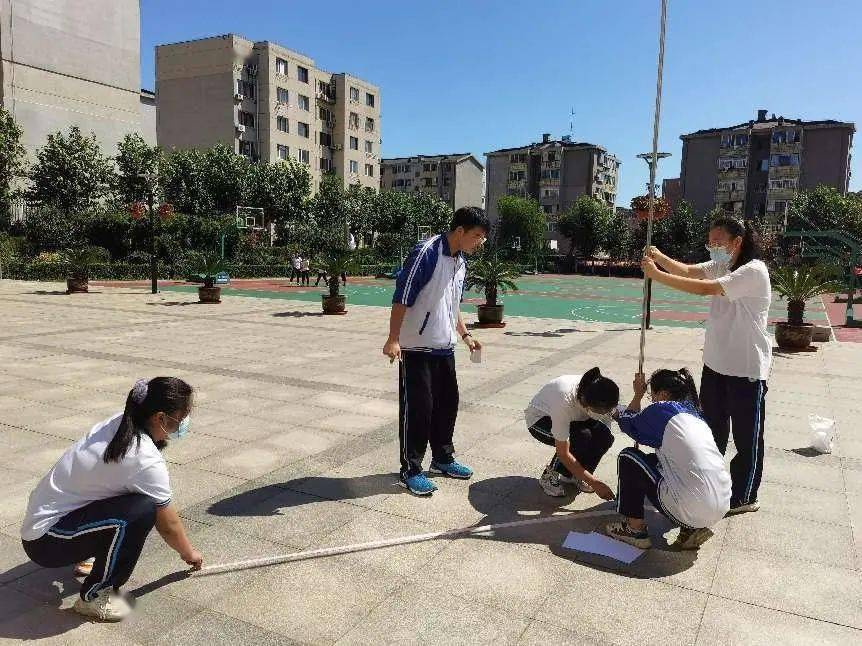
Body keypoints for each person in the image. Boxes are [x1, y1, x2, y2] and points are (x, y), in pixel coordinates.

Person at [20, 377, 203, 622]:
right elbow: (168, 525)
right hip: (47, 541)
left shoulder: (121, 422)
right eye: (181, 418)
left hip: (47, 521)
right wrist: (189, 554)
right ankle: (94, 597)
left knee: (129, 496)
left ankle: (90, 550)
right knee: (142, 510)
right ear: (160, 418)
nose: (183, 424)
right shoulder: (144, 459)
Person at [642, 216, 770, 516]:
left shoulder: (753, 271)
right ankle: (711, 482)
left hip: (746, 370)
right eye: (709, 242)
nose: (712, 247)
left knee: (746, 437)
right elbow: (689, 271)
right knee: (712, 431)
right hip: (715, 365)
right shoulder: (722, 265)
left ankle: (745, 495)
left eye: (718, 242)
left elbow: (705, 289)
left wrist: (656, 275)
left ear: (736, 242)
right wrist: (660, 258)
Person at [383, 206, 487, 496]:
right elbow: (402, 295)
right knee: (419, 409)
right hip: (416, 347)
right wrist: (393, 339)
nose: (480, 242)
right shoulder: (426, 252)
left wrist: (466, 336)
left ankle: (442, 458)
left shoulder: (460, 261)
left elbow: (452, 305)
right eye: (477, 236)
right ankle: (411, 469)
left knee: (447, 404)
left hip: (444, 347)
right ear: (460, 231)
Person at [605, 369, 731, 550]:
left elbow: (630, 422)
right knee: (657, 462)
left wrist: (637, 395)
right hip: (720, 505)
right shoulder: (697, 416)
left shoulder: (663, 410)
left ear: (663, 394)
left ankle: (634, 529)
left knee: (629, 459)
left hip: (692, 505)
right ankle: (692, 528)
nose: (652, 400)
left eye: (652, 395)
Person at [524, 368, 618, 501]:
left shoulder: (602, 392)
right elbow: (563, 453)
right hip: (540, 419)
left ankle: (575, 475)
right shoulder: (563, 403)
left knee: (605, 437)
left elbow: (626, 416)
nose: (606, 414)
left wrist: (638, 395)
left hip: (574, 419)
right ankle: (549, 476)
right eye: (602, 411)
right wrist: (594, 482)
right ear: (586, 404)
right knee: (578, 439)